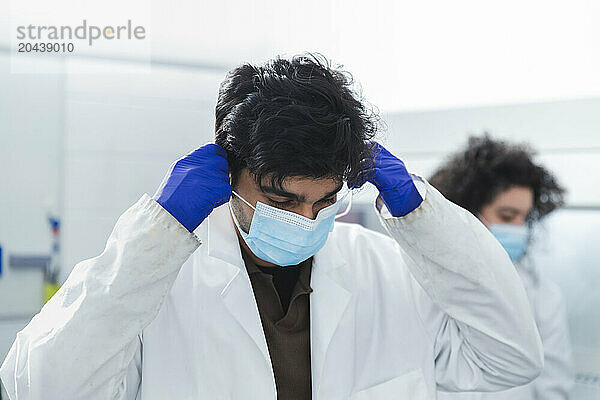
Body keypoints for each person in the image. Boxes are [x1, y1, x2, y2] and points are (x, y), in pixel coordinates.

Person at [0, 55, 543, 400]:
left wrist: (424, 216)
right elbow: (44, 387)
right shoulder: (156, 286)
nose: (305, 220)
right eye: (281, 200)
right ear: (227, 175)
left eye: (324, 200)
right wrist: (157, 234)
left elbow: (511, 358)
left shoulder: (386, 272)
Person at [429, 135, 574, 400]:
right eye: (507, 216)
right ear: (466, 210)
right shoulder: (423, 282)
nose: (517, 228)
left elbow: (553, 388)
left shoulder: (541, 295)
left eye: (523, 218)